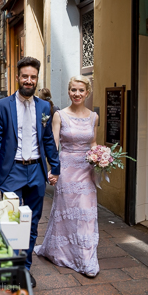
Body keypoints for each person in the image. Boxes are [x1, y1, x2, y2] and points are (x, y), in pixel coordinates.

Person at [0, 56, 60, 286]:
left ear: (37, 79)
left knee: (32, 221)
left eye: (33, 77)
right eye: (25, 76)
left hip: (36, 172)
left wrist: (55, 167)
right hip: (12, 172)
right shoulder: (2, 106)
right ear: (17, 77)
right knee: (11, 221)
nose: (29, 80)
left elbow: (48, 140)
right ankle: (10, 267)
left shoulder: (44, 107)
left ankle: (25, 268)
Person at [35, 75, 100, 278]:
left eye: (81, 90)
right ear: (69, 91)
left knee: (86, 213)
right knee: (67, 211)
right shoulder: (59, 115)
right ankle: (61, 251)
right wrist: (52, 169)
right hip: (67, 169)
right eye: (73, 90)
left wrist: (100, 156)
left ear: (87, 92)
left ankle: (86, 258)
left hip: (87, 170)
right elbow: (53, 144)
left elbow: (93, 143)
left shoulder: (93, 117)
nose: (77, 94)